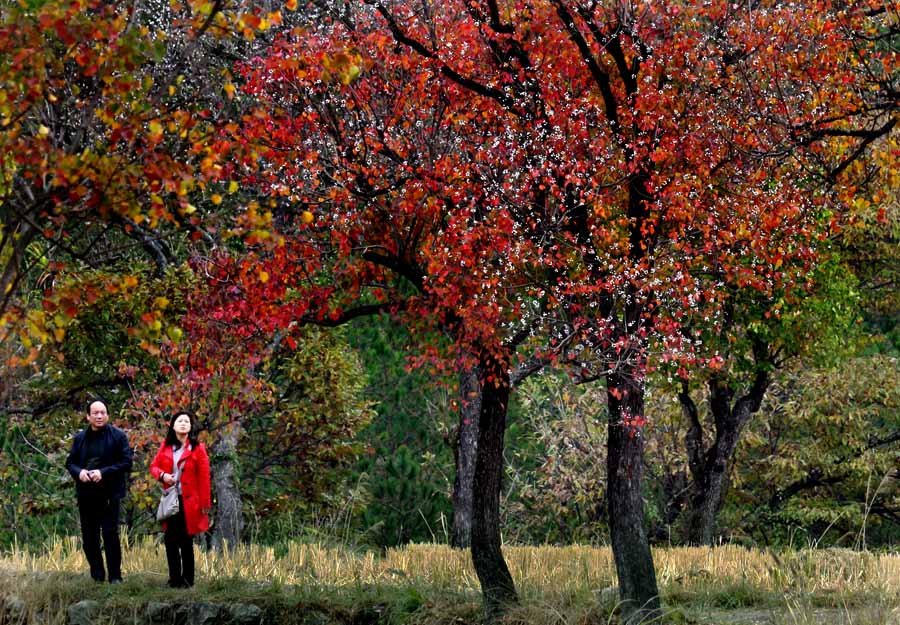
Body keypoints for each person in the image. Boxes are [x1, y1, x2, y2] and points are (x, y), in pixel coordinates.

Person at [65, 398, 134, 583]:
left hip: (110, 494)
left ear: (108, 415)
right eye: (95, 413)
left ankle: (115, 577)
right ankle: (97, 576)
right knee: (89, 538)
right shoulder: (80, 438)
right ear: (88, 416)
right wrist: (79, 473)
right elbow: (70, 463)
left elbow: (127, 462)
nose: (99, 416)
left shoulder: (118, 436)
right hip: (86, 495)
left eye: (103, 412)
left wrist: (102, 472)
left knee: (110, 535)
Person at [149, 411, 211, 588]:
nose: (183, 423)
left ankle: (188, 580)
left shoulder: (198, 448)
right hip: (172, 500)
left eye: (186, 421)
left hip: (190, 502)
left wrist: (205, 504)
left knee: (185, 540)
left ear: (191, 426)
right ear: (173, 425)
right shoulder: (166, 446)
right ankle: (174, 579)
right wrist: (163, 476)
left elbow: (204, 477)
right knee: (170, 539)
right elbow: (154, 467)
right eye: (179, 421)